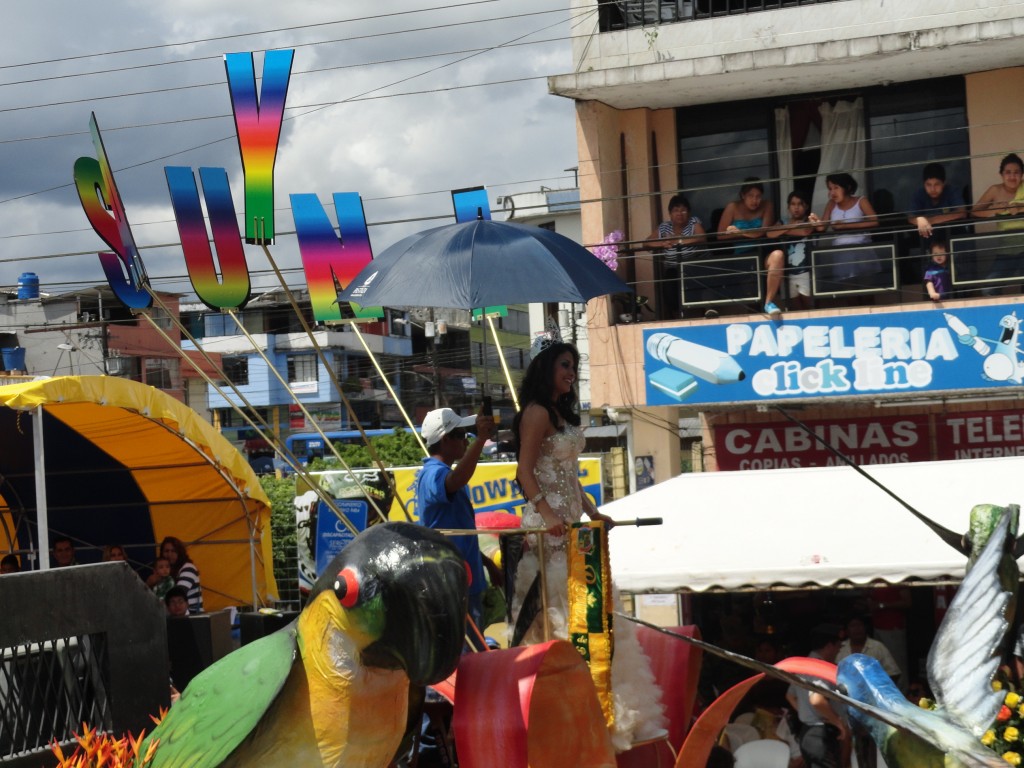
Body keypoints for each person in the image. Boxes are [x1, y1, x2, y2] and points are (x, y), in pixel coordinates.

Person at [509, 333, 666, 752]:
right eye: (564, 365)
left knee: (594, 618)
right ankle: (562, 717)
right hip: (548, 536)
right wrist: (547, 516)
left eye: (572, 365)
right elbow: (526, 474)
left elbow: (568, 475)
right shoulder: (536, 413)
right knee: (562, 620)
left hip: (574, 531)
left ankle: (611, 717)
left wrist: (593, 512)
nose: (571, 372)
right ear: (546, 369)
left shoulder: (561, 415)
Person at [415, 406, 497, 650]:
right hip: (450, 583)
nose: (466, 439)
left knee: (472, 650)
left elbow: (459, 532)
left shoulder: (442, 472)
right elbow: (454, 482)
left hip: (465, 579)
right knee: (462, 655)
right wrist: (481, 439)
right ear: (445, 439)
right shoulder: (432, 474)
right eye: (461, 434)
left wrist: (487, 563)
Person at [785, 624, 849, 768]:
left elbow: (790, 696)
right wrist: (837, 722)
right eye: (838, 646)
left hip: (808, 733)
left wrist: (805, 711)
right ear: (829, 646)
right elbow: (816, 700)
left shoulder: (803, 666)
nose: (839, 650)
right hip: (821, 734)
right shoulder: (819, 668)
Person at [644, 194, 707, 316]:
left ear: (688, 212)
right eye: (676, 210)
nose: (680, 213)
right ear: (670, 213)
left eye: (683, 210)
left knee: (696, 290)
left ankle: (700, 314)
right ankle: (676, 316)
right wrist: (663, 243)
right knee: (670, 288)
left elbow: (701, 237)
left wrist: (678, 241)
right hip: (673, 269)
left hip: (696, 267)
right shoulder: (664, 227)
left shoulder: (693, 222)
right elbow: (646, 244)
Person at [764, 190, 823, 316]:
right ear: (788, 207)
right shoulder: (782, 221)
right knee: (795, 309)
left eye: (800, 204)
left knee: (808, 308)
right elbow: (769, 233)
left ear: (806, 206)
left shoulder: (809, 220)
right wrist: (790, 226)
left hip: (806, 271)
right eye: (793, 204)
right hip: (788, 273)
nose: (796, 207)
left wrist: (783, 230)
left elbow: (805, 231)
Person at [972, 153, 1024, 291]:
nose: (1012, 177)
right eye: (1008, 172)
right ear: (1001, 175)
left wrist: (1019, 207)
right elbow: (975, 212)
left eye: (1016, 172)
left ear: (1022, 175)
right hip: (1006, 249)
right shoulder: (995, 190)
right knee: (989, 289)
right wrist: (994, 209)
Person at [820, 172, 879, 288]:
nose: (832, 192)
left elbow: (874, 221)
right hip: (842, 254)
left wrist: (845, 226)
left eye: (836, 188)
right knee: (849, 291)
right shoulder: (831, 204)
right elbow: (822, 227)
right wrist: (815, 221)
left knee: (866, 289)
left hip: (862, 251)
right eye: (830, 189)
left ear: (847, 187)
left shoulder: (861, 201)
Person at [906, 162, 966, 250]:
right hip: (930, 245)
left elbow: (962, 212)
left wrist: (930, 220)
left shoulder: (952, 191)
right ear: (924, 184)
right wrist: (919, 219)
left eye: (937, 184)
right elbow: (910, 217)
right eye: (928, 185)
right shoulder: (919, 194)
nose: (933, 189)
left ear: (944, 183)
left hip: (955, 242)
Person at [717, 178, 775, 255]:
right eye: (750, 196)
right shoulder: (732, 207)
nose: (754, 200)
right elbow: (720, 235)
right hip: (742, 254)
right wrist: (743, 234)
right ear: (743, 195)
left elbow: (763, 232)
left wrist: (739, 232)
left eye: (758, 196)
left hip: (763, 250)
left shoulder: (767, 205)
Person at [151, 537, 203, 613]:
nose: (169, 554)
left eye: (173, 551)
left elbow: (178, 594)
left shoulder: (188, 567)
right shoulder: (167, 572)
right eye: (166, 551)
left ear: (179, 553)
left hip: (193, 616)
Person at [924, 237, 951, 301]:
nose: (939, 256)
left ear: (947, 254)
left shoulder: (950, 267)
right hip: (937, 299)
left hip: (951, 298)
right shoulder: (929, 270)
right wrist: (932, 293)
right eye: (935, 254)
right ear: (931, 255)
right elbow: (928, 282)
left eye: (941, 253)